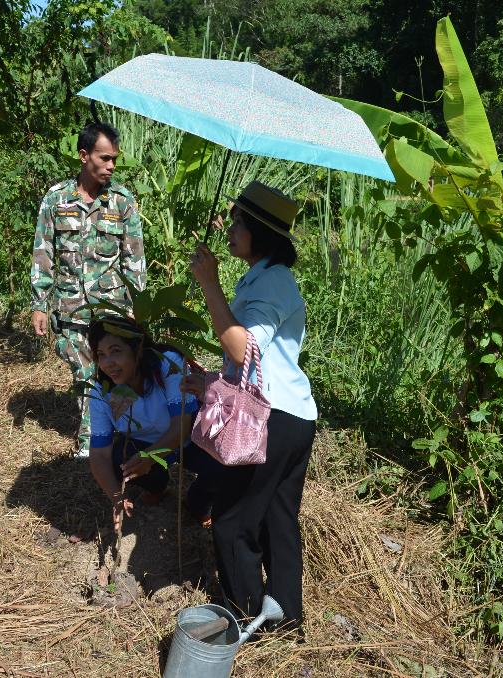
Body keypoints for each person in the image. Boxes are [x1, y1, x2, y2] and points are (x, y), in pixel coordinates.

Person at [185, 181, 318, 631]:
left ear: (261, 232)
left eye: (240, 221)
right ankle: (285, 615)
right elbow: (254, 362)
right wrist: (211, 380)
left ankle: (245, 616)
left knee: (232, 522)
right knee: (277, 519)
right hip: (293, 416)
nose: (231, 226)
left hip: (272, 420)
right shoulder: (264, 275)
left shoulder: (274, 281)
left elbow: (246, 350)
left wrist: (209, 284)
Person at [30, 122, 146, 457]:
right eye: (105, 158)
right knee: (84, 373)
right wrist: (40, 302)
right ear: (84, 156)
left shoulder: (122, 202)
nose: (111, 165)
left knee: (113, 375)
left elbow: (133, 258)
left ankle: (107, 440)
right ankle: (94, 440)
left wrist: (136, 306)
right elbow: (44, 252)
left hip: (111, 309)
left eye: (114, 159)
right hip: (70, 308)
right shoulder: (56, 200)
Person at [86, 317, 222, 531]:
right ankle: (156, 486)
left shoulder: (166, 363)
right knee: (119, 457)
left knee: (221, 465)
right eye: (101, 355)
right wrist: (116, 497)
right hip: (146, 445)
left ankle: (198, 502)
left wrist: (150, 456)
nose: (108, 363)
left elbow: (182, 424)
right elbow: (99, 454)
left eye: (116, 351)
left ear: (138, 349)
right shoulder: (102, 391)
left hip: (191, 440)